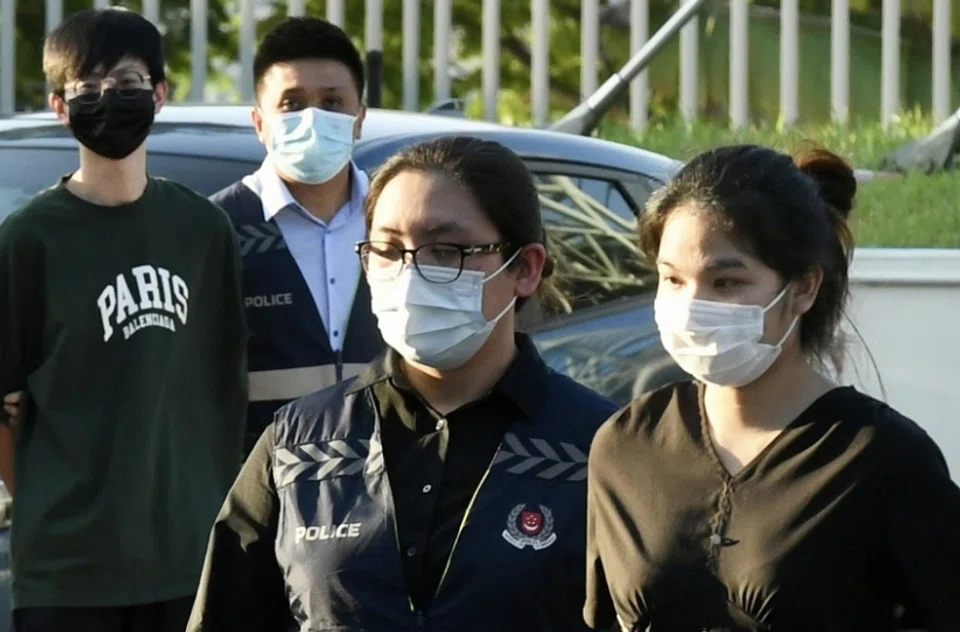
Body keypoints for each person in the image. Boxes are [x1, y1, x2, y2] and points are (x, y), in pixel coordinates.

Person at [186, 136, 619, 632]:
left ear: (524, 268)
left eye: (445, 250)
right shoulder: (299, 443)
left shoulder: (598, 447)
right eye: (388, 250)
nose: (410, 274)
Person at [584, 144, 960, 631]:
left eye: (726, 283)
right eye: (673, 280)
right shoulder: (625, 445)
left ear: (803, 287)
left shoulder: (880, 458)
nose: (692, 309)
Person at [0, 8, 247, 631]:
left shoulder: (202, 230)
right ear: (60, 106)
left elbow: (221, 386)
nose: (109, 100)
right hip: (68, 573)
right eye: (87, 88)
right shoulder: (28, 240)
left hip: (188, 559)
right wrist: (47, 505)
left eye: (130, 83)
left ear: (160, 94)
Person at [210, 16, 384, 456]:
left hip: (393, 492)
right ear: (259, 122)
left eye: (332, 101)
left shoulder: (395, 219)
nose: (313, 119)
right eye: (291, 103)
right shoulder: (216, 230)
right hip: (257, 497)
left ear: (359, 118)